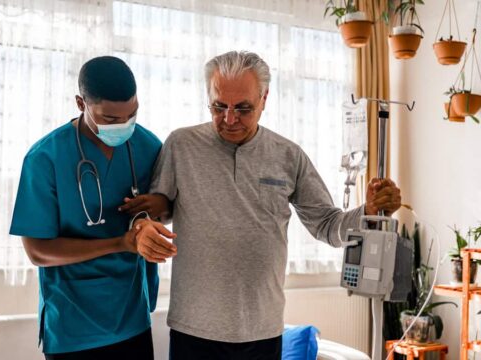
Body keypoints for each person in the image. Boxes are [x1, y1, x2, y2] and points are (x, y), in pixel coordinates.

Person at [120, 51, 402, 360]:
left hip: (263, 332)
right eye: (219, 107)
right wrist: (143, 225)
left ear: (264, 99)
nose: (229, 119)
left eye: (243, 108)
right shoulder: (181, 145)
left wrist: (369, 211)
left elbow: (327, 225)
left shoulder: (288, 156)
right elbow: (154, 209)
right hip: (194, 329)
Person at [10, 56, 166, 360]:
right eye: (109, 119)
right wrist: (119, 243)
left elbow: (167, 211)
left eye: (131, 115)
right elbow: (37, 251)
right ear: (81, 103)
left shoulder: (149, 147)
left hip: (131, 316)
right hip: (73, 323)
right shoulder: (46, 158)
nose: (123, 126)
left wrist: (157, 208)